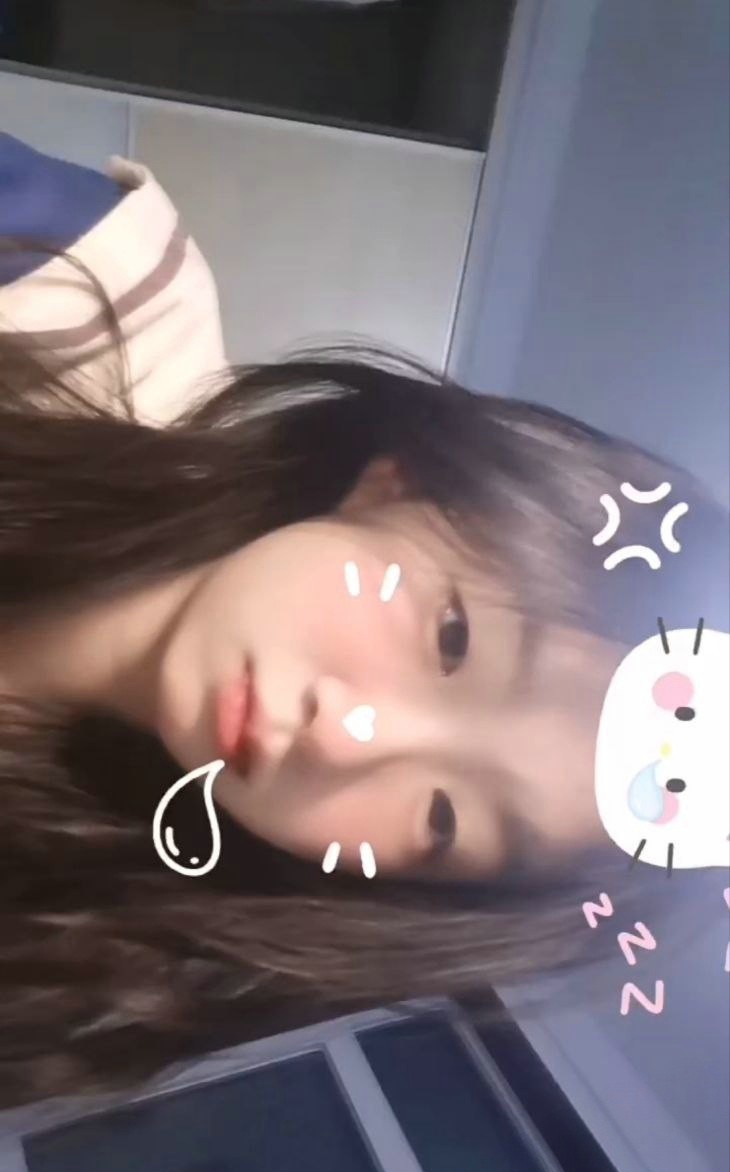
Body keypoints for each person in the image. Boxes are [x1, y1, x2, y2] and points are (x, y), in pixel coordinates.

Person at [1, 136, 727, 1110]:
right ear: (402, 482)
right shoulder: (75, 292)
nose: (346, 737)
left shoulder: (53, 968)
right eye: (452, 640)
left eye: (442, 819)